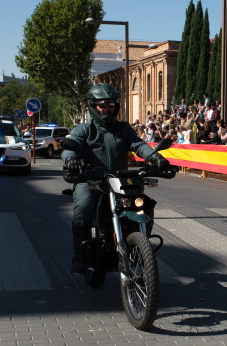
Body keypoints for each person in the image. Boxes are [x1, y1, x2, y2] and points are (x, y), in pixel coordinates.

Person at [62, 83, 169, 276]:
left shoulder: (124, 128)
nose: (107, 109)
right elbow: (71, 147)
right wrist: (71, 159)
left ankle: (140, 248)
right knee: (84, 204)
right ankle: (80, 256)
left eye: (110, 105)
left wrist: (155, 157)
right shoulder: (85, 129)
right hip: (90, 180)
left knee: (145, 205)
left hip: (119, 182)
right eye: (102, 105)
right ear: (93, 106)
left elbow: (138, 145)